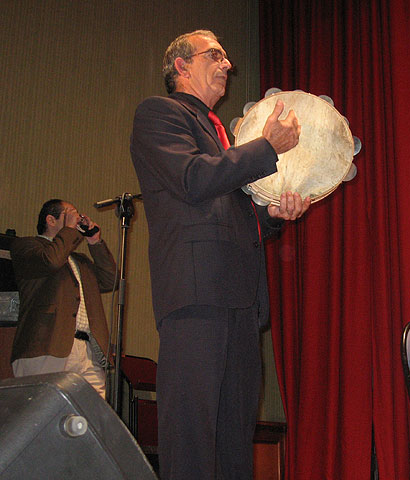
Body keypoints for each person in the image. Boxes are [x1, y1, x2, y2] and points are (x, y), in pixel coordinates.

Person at [130, 29, 311, 480]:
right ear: (181, 66)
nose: (228, 65)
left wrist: (272, 215)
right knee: (191, 435)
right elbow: (193, 179)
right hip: (196, 296)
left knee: (234, 440)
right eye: (215, 55)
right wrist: (267, 147)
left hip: (242, 303)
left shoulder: (223, 140)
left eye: (228, 58)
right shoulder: (160, 114)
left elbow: (231, 214)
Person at [10, 199, 115, 399]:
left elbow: (109, 280)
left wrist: (95, 242)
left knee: (89, 419)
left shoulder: (80, 261)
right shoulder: (26, 247)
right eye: (70, 214)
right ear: (51, 220)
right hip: (47, 345)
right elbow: (50, 261)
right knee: (42, 414)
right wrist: (69, 230)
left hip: (87, 351)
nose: (77, 219)